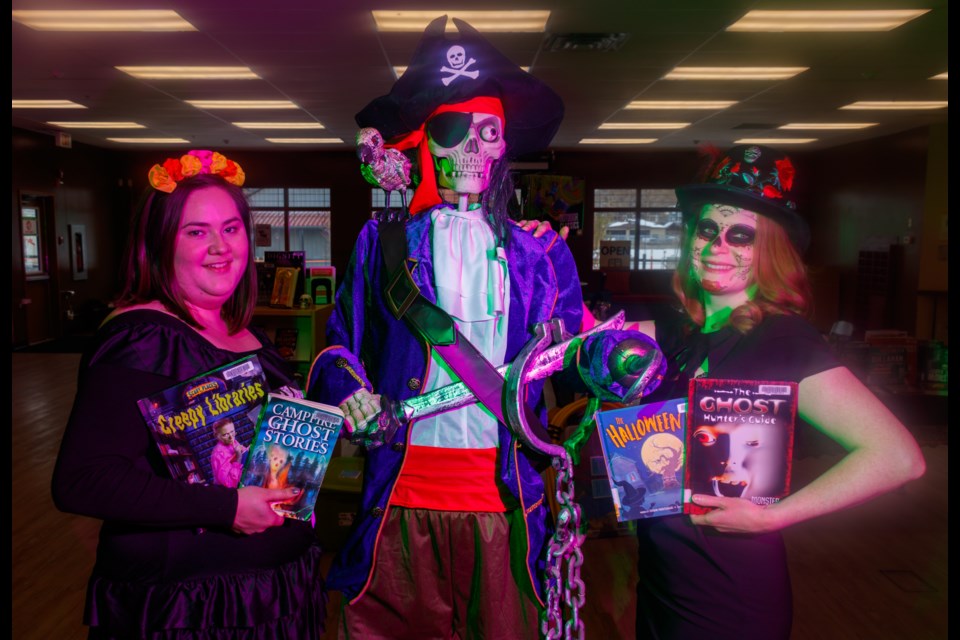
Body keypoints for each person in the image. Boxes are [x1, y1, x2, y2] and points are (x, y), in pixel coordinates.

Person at [306, 15, 584, 639]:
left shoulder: (541, 253)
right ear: (421, 144)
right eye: (451, 131)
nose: (470, 149)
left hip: (506, 502)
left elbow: (574, 368)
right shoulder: (383, 245)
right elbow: (338, 343)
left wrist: (602, 361)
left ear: (504, 144)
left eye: (488, 132)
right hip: (400, 499)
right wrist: (348, 389)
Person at [631, 143, 926, 639]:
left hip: (728, 594)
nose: (718, 246)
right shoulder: (689, 336)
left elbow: (898, 457)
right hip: (665, 581)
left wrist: (776, 519)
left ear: (766, 251)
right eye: (707, 229)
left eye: (740, 235)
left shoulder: (782, 338)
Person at [51, 150, 327, 639]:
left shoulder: (250, 336)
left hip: (273, 594)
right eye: (196, 232)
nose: (220, 247)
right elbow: (83, 480)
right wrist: (228, 509)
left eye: (231, 228)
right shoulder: (144, 338)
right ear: (160, 245)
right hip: (193, 610)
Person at [209, 417, 248, 488]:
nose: (231, 437)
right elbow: (229, 484)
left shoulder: (233, 442)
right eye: (225, 434)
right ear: (216, 436)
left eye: (232, 431)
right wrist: (238, 457)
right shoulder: (218, 455)